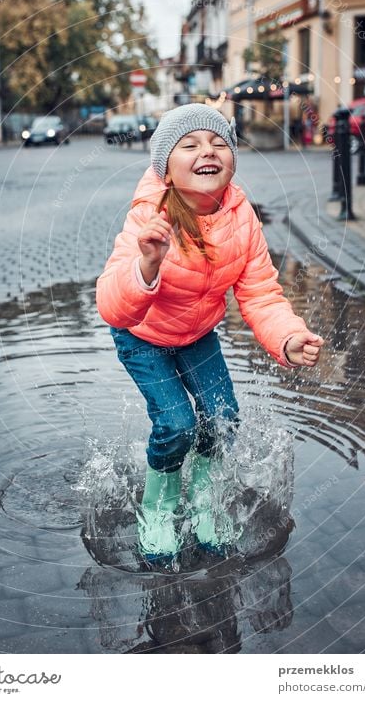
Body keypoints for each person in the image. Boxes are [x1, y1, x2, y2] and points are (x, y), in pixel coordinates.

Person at [96, 103, 323, 562]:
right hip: (143, 335)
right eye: (191, 144)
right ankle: (158, 509)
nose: (209, 151)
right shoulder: (150, 216)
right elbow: (110, 305)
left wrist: (287, 337)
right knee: (177, 424)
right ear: (166, 166)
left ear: (233, 159)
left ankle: (204, 503)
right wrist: (147, 264)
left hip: (197, 334)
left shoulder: (242, 219)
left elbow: (260, 293)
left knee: (223, 419)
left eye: (220, 143)